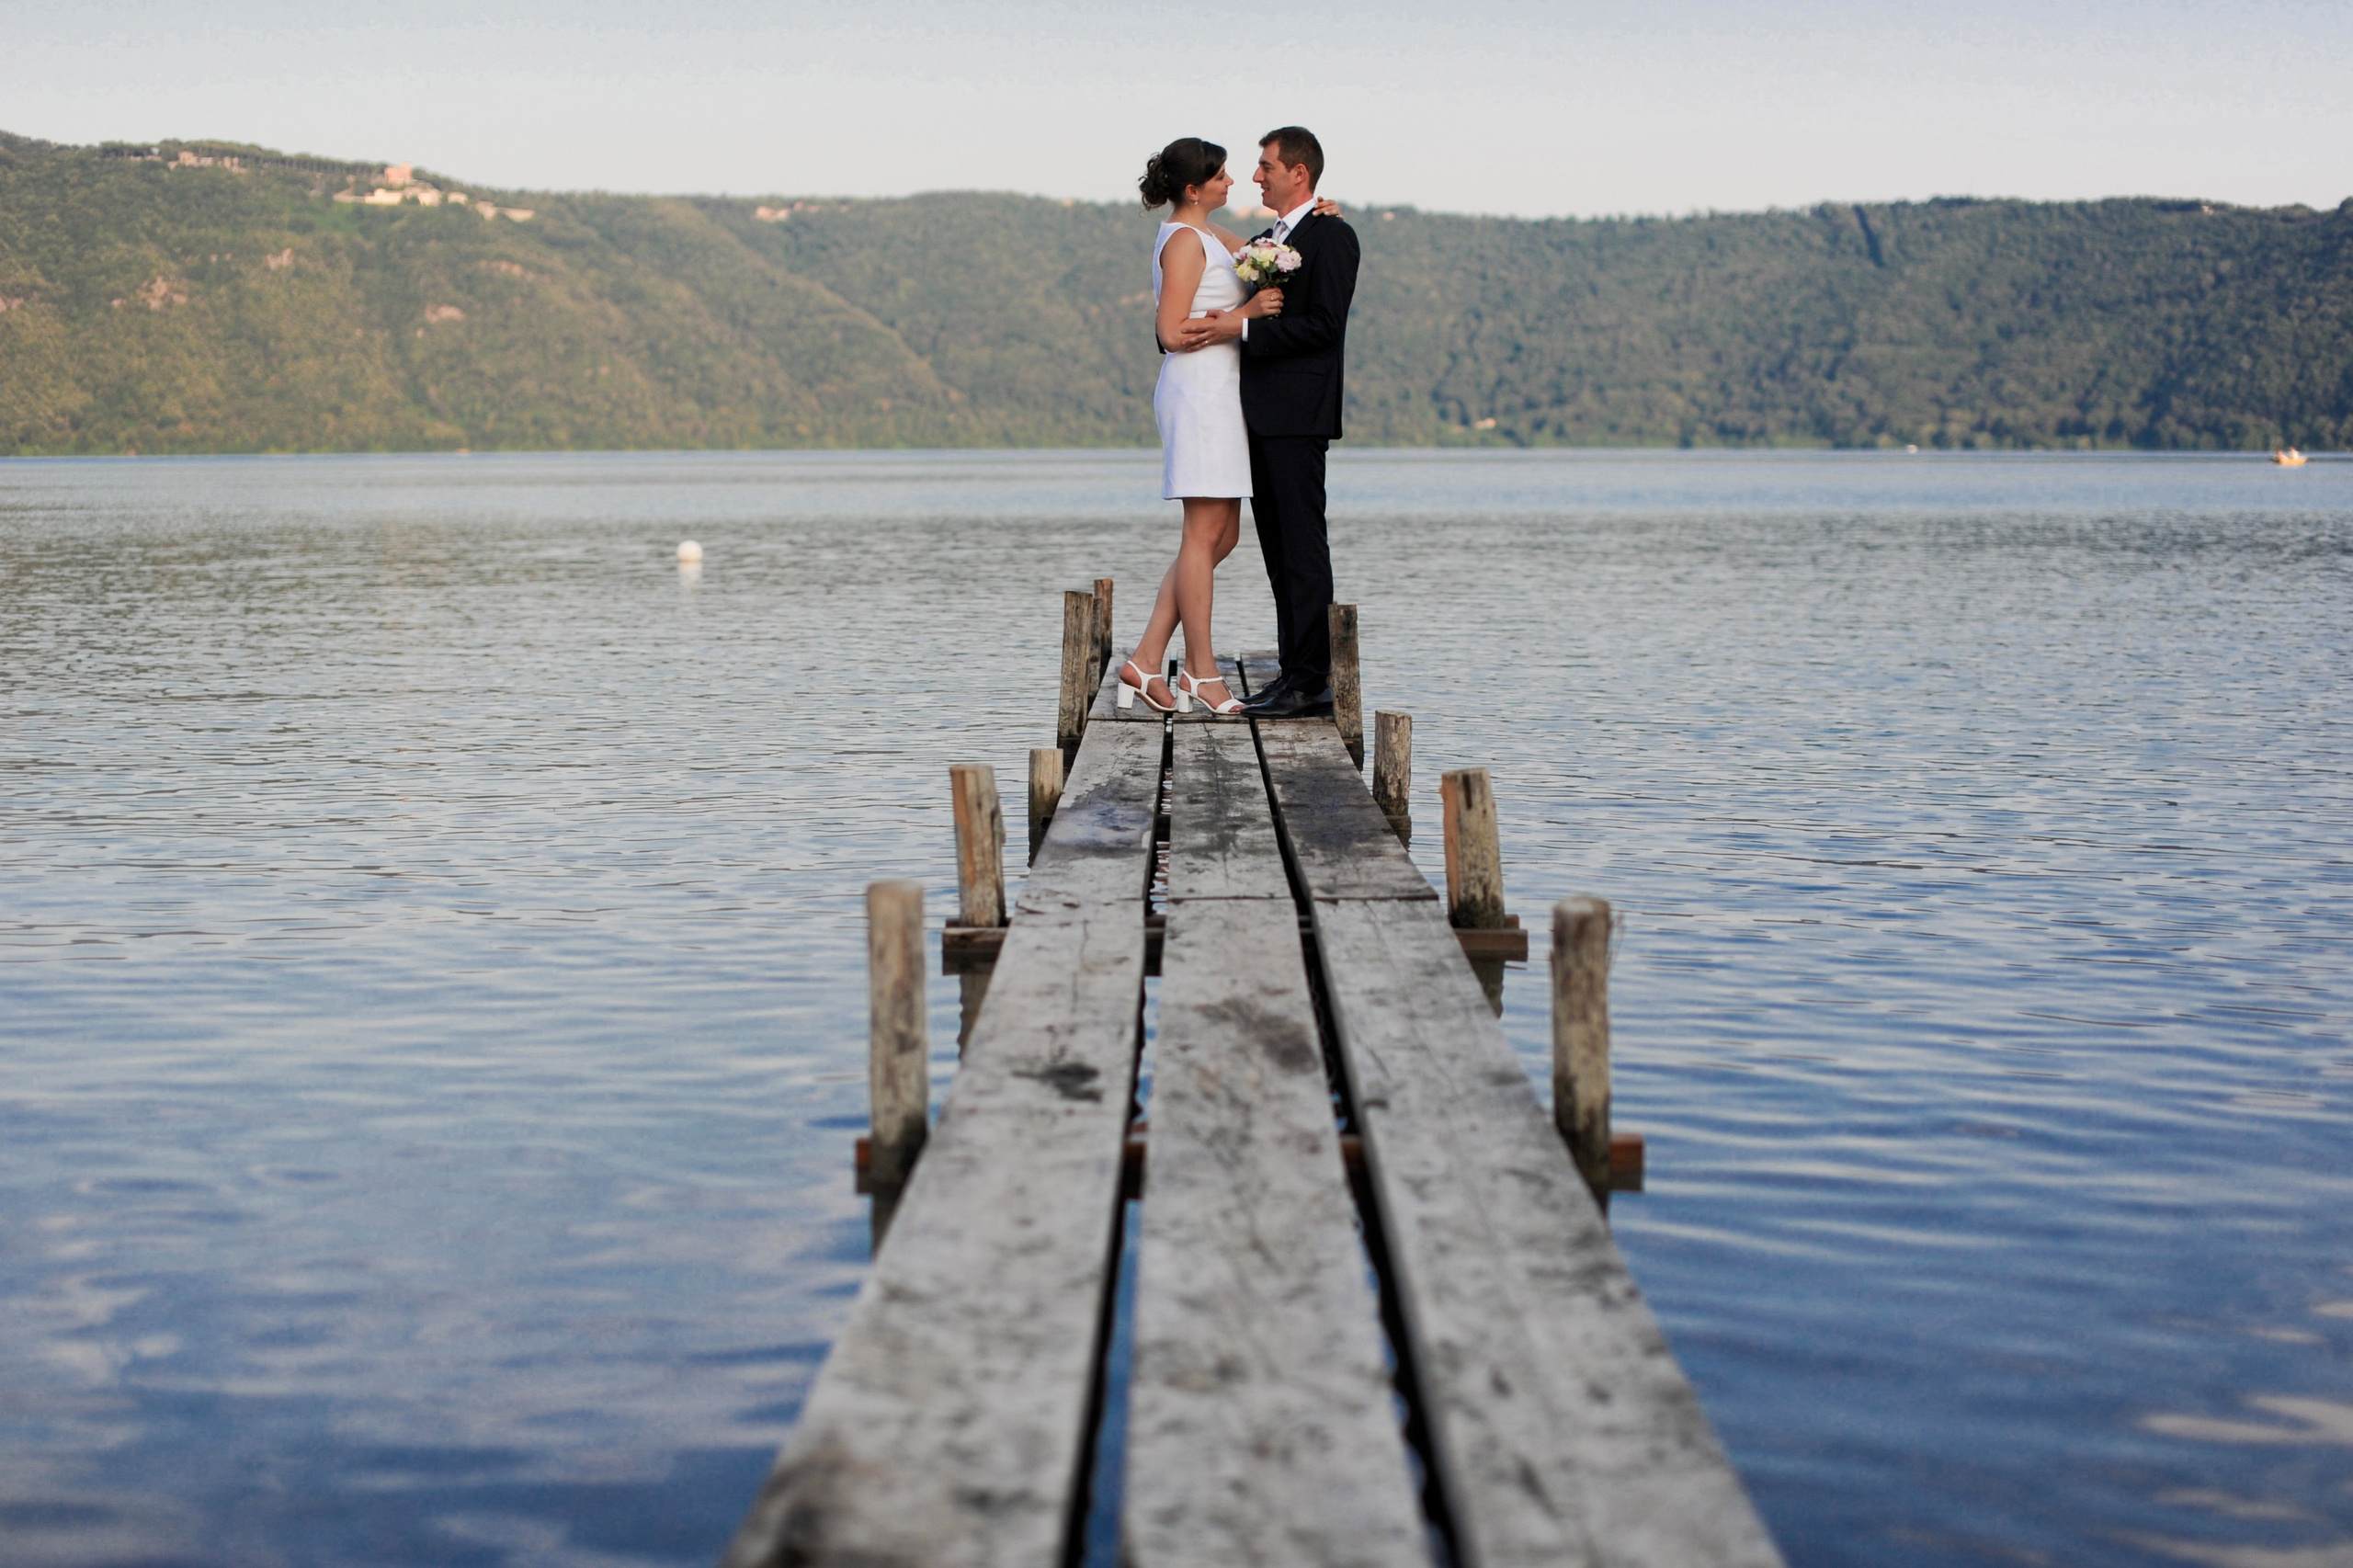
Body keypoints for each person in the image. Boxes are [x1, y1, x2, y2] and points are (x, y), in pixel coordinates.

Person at [1120, 137, 1340, 717]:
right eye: (1221, 175)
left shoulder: (1209, 235)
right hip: (1199, 395)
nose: (1235, 181)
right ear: (1194, 189)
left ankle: (1145, 659)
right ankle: (1202, 672)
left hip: (1224, 396)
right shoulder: (1186, 241)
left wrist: (1317, 217)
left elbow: (1272, 250)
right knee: (1203, 534)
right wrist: (1242, 318)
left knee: (1223, 537)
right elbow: (1170, 332)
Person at [1175, 126, 1359, 718]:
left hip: (1298, 414)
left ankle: (1312, 682)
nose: (1257, 176)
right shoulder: (1263, 240)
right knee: (1278, 551)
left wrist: (1242, 326)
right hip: (1252, 416)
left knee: (1302, 547)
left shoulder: (1333, 237)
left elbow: (1325, 327)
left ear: (1299, 173)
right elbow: (1201, 238)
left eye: (1267, 167)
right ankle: (1292, 674)